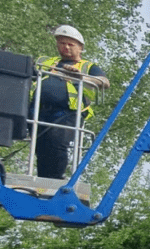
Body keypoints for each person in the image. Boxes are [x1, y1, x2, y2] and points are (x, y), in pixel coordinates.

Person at [32, 25, 109, 179]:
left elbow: (104, 82)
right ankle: (43, 180)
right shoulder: (46, 61)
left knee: (57, 142)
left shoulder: (87, 67)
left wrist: (80, 77)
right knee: (41, 147)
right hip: (39, 110)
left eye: (71, 44)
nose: (66, 47)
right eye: (62, 43)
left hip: (68, 113)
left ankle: (54, 180)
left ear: (80, 48)